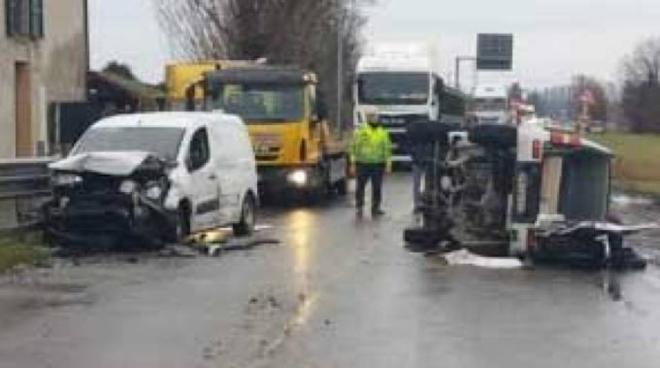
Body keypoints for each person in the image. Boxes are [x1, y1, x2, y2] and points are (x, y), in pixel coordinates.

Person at [351, 108, 392, 217]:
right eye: (373, 116)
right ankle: (359, 206)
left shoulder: (382, 132)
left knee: (377, 187)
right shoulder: (361, 131)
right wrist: (352, 163)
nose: (375, 118)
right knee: (360, 186)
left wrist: (388, 163)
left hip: (378, 164)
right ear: (368, 117)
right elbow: (354, 147)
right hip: (362, 163)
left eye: (376, 116)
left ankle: (376, 208)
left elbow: (387, 148)